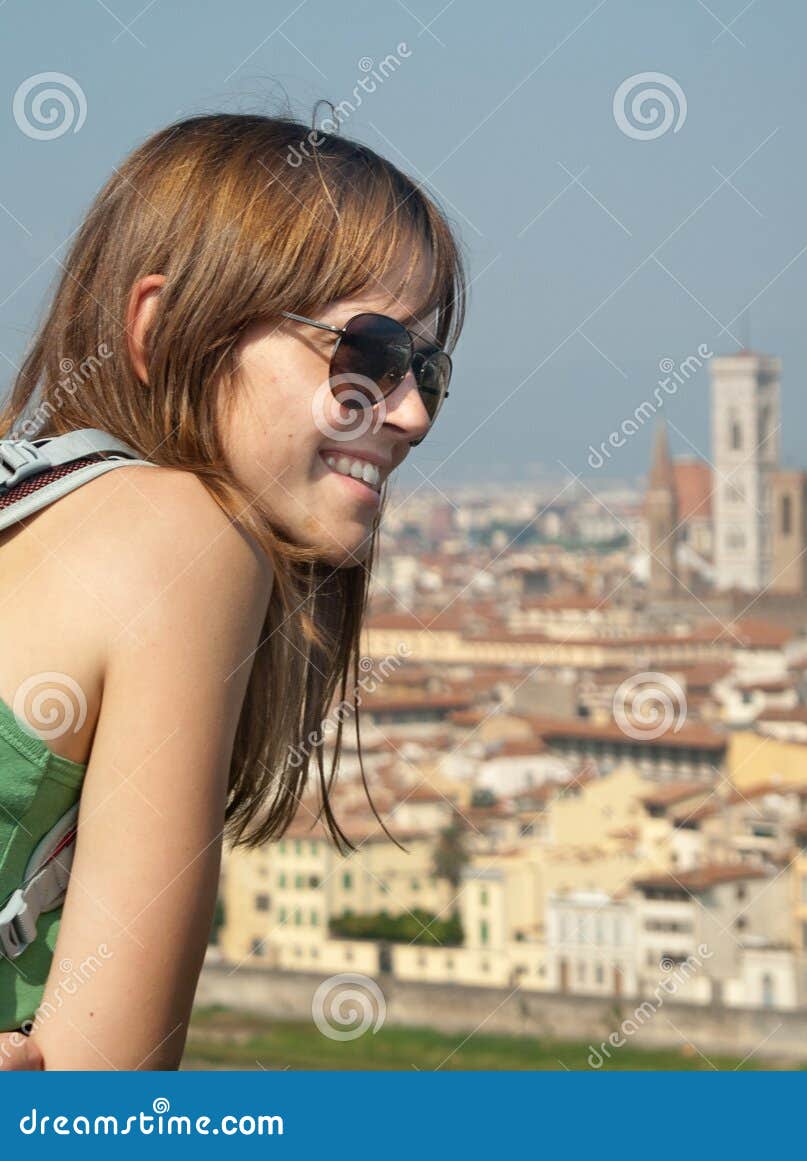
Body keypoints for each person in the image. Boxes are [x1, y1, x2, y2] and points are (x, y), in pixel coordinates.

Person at [0, 112, 465, 1069]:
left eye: (425, 367)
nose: (411, 411)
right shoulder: (187, 536)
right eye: (367, 352)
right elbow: (102, 1112)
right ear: (164, 325)